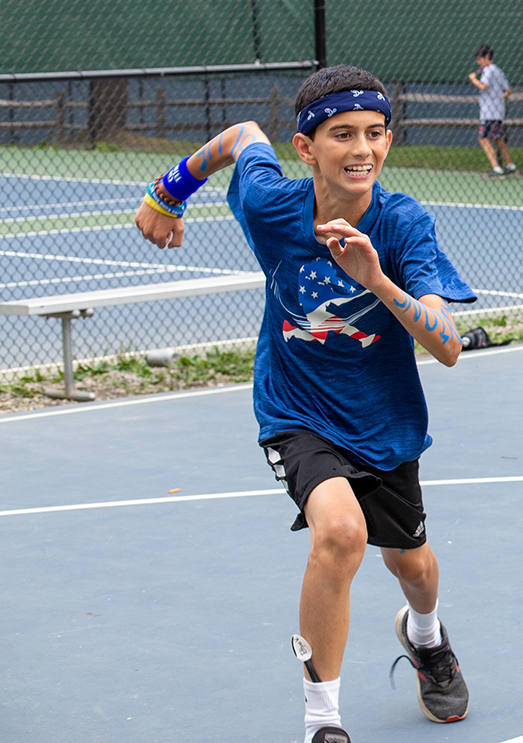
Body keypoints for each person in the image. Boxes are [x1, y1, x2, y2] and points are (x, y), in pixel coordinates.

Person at [135, 65, 475, 743]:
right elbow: (240, 135)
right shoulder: (270, 205)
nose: (363, 150)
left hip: (385, 422)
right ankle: (323, 721)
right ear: (306, 148)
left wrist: (375, 279)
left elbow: (448, 345)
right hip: (295, 413)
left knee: (414, 566)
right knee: (341, 534)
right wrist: (167, 193)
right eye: (343, 134)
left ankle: (425, 635)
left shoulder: (403, 223)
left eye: (376, 133)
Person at [468, 45, 517, 176]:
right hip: (498, 112)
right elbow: (508, 90)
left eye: (480, 59)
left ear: (487, 57)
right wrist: (500, 99)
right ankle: (510, 165)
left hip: (489, 113)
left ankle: (496, 168)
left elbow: (484, 86)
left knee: (483, 139)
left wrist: (473, 80)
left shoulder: (488, 71)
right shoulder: (498, 71)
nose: (478, 63)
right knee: (498, 139)